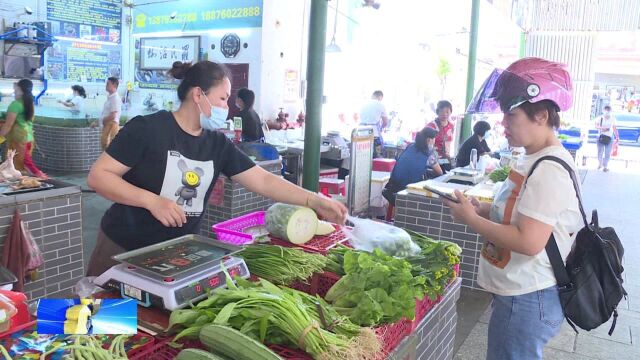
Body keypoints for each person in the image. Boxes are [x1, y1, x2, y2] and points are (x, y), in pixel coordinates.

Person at [85, 60, 348, 276]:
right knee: (105, 325)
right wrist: (152, 201)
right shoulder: (148, 128)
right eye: (222, 99)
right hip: (123, 247)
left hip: (177, 252)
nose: (227, 107)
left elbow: (264, 181)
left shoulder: (216, 144)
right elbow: (99, 177)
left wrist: (314, 200)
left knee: (149, 329)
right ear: (198, 94)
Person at [443, 57, 583, 360]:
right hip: (521, 292)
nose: (503, 125)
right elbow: (522, 214)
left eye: (511, 115)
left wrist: (470, 220)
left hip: (529, 296)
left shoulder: (549, 168)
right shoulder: (532, 157)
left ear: (541, 115)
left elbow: (529, 241)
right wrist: (483, 210)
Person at [382, 127, 443, 205]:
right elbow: (440, 172)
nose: (435, 141)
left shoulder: (410, 146)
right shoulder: (428, 154)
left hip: (392, 187)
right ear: (429, 140)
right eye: (434, 139)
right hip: (408, 191)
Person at [0, 79, 47, 179]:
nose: (14, 91)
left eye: (15, 89)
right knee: (21, 164)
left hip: (19, 140)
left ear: (20, 90)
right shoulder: (29, 104)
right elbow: (22, 119)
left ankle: (44, 180)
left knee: (22, 165)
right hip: (28, 139)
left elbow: (8, 125)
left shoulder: (15, 105)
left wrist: (0, 136)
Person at [92, 77, 122, 151]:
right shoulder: (110, 98)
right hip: (108, 125)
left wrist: (100, 121)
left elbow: (113, 116)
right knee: (105, 146)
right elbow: (106, 114)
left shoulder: (115, 98)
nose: (106, 85)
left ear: (114, 85)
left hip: (111, 125)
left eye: (108, 84)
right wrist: (98, 122)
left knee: (108, 147)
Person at [427, 100, 455, 171]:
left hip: (446, 159)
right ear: (437, 112)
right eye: (442, 111)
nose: (445, 114)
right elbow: (426, 144)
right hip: (434, 160)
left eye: (447, 111)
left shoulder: (451, 126)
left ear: (450, 112)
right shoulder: (432, 126)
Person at [359, 90, 388, 158]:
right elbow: (385, 122)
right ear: (380, 97)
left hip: (360, 133)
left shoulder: (364, 103)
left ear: (373, 95)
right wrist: (381, 128)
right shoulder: (380, 105)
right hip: (373, 134)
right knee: (377, 157)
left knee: (362, 156)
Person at [595, 105, 618, 172]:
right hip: (601, 136)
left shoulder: (613, 119)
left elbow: (614, 128)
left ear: (611, 111)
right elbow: (596, 126)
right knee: (600, 151)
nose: (607, 111)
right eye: (606, 110)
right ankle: (600, 164)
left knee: (608, 152)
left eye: (609, 110)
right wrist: (602, 128)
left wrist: (617, 137)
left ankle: (605, 166)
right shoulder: (600, 118)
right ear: (603, 110)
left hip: (609, 137)